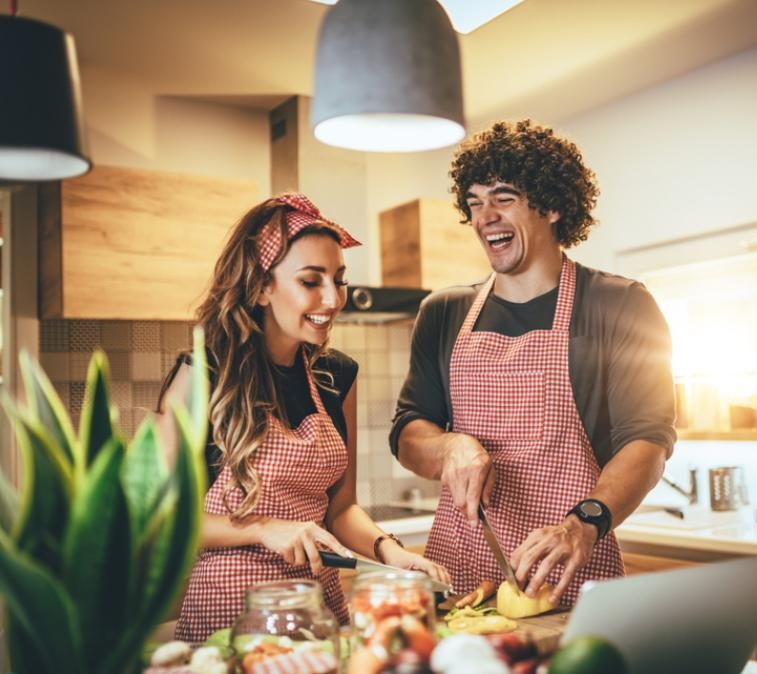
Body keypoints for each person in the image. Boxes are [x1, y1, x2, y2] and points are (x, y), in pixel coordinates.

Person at [390, 120, 676, 606]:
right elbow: (407, 433)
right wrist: (450, 447)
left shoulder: (619, 304)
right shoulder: (443, 312)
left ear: (553, 204)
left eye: (503, 197)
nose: (486, 217)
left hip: (571, 572)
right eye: (475, 202)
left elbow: (647, 441)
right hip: (459, 580)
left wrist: (583, 524)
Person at [160, 193, 450, 641]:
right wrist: (262, 529)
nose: (333, 299)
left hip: (318, 610)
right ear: (261, 287)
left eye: (339, 279)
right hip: (230, 617)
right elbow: (162, 519)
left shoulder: (337, 377)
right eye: (311, 281)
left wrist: (389, 551)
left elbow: (342, 509)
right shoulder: (202, 376)